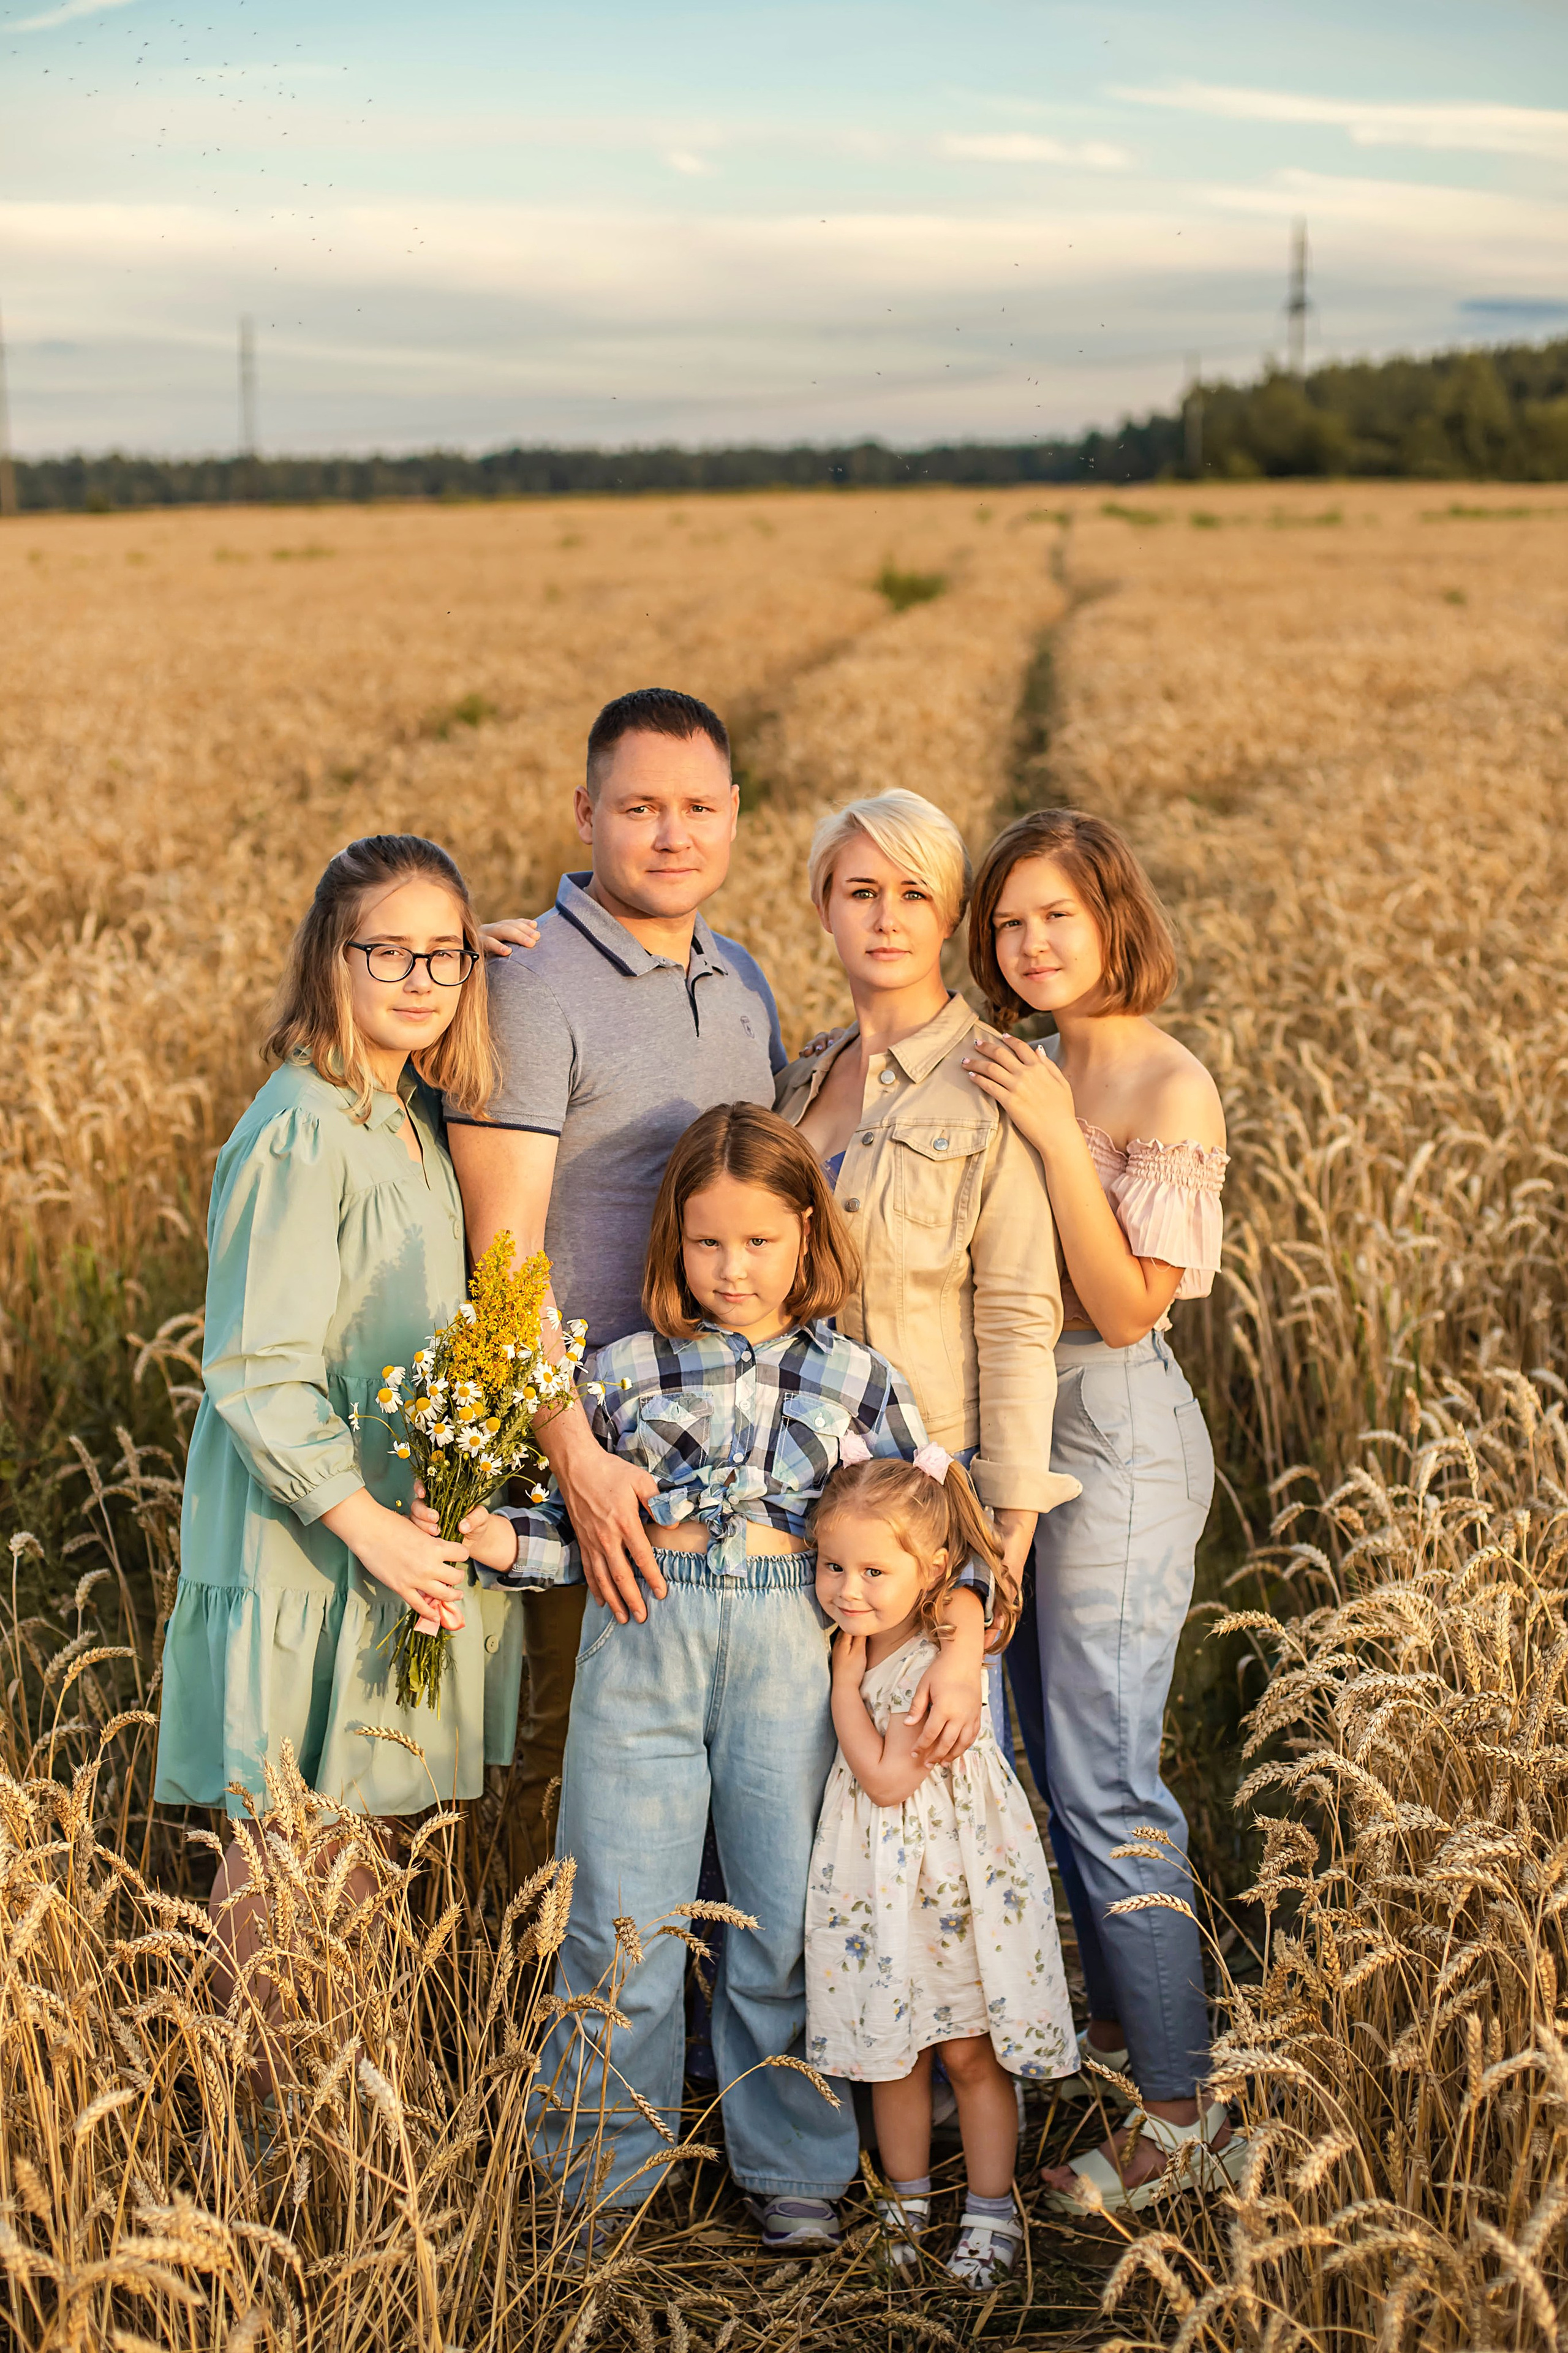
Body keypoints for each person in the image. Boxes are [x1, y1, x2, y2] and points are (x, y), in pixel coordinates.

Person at [436, 1104, 992, 2254]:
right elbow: (571, 1531)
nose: (733, 1269)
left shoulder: (858, 1378)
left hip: (795, 1654)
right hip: (644, 1633)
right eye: (707, 1243)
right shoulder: (618, 1371)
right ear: (673, 1242)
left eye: (759, 1242)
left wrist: (959, 1633)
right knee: (618, 1918)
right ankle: (599, 2174)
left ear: (806, 1236)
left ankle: (791, 2162)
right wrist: (491, 1539)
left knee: (782, 1916)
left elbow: (937, 1534)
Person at [154, 836, 524, 1982]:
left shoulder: (407, 1113)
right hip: (312, 1536)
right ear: (331, 957)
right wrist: (375, 1532)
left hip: (394, 1531)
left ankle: (329, 2077)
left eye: (445, 954)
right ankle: (259, 2092)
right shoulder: (303, 1125)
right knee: (291, 1845)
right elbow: (257, 1370)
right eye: (388, 952)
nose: (421, 979)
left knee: (359, 1835)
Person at [447, 687, 785, 1871]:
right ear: (586, 813)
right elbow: (501, 1256)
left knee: (715, 1761)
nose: (672, 834)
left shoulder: (744, 980)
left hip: (725, 1456)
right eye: (640, 807)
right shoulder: (529, 987)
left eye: (698, 807)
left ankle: (687, 1986)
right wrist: (575, 1459)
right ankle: (531, 1987)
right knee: (570, 1756)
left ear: (733, 813)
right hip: (582, 1461)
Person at [962, 807, 1237, 2214]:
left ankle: (1184, 2117)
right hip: (1015, 1432)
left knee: (1103, 1772)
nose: (1028, 943)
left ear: (1112, 916)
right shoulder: (1027, 1053)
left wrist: (1052, 1139)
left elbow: (1127, 1307)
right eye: (1007, 921)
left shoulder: (1161, 1081)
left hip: (1115, 1438)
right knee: (1033, 1753)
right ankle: (1129, 2028)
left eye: (1054, 915)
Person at [774, 789, 1080, 1728]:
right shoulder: (800, 1080)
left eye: (915, 893)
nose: (887, 918)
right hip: (796, 1483)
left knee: (929, 1769)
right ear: (823, 906)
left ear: (951, 914)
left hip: (927, 1495)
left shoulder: (994, 1080)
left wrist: (1006, 1531)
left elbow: (1020, 1314)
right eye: (861, 892)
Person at [805, 1449, 1074, 2286]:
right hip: (877, 1887)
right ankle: (906, 2202)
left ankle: (992, 2209)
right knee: (896, 2054)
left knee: (966, 2051)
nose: (848, 1590)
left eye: (872, 1571)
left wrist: (845, 1686)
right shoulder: (874, 1623)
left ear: (930, 1569)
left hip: (951, 1885)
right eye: (832, 1565)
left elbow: (887, 1781)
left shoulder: (937, 1647)